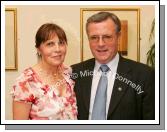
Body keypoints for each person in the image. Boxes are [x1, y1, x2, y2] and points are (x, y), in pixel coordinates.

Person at [71, 12, 155, 120]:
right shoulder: (74, 73)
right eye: (94, 37)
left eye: (107, 37)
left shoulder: (145, 75)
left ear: (118, 37)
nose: (100, 43)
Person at [11, 23, 77, 120]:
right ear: (38, 49)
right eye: (50, 44)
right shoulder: (26, 82)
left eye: (61, 43)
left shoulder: (68, 73)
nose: (57, 49)